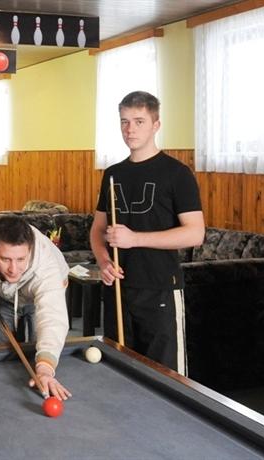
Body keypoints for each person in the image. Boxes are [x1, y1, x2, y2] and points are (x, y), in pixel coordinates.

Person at [89, 91, 205, 374]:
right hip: (117, 289)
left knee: (165, 376)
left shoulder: (177, 173)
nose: (130, 129)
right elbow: (98, 229)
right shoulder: (112, 174)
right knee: (120, 371)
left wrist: (134, 239)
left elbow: (195, 233)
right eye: (124, 121)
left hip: (159, 288)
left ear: (156, 125)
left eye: (139, 121)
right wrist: (103, 261)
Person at [0, 215, 72, 400]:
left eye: (21, 259)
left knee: (38, 345)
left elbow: (52, 318)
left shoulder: (47, 271)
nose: (13, 269)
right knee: (3, 345)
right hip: (4, 294)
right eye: (5, 259)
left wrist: (45, 369)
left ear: (30, 250)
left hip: (38, 293)